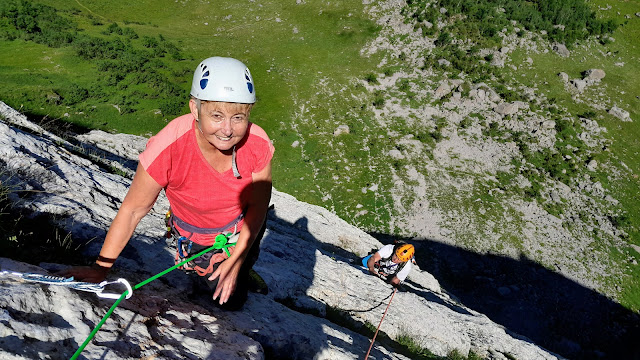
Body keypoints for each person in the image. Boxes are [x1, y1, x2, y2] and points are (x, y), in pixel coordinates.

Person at [62, 57, 274, 310]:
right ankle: (211, 270)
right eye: (216, 116)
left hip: (244, 225)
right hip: (202, 237)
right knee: (229, 301)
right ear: (195, 109)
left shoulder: (257, 142)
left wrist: (239, 258)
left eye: (238, 117)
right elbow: (133, 210)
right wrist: (101, 269)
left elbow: (259, 206)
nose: (227, 130)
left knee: (239, 277)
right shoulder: (169, 148)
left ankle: (243, 267)